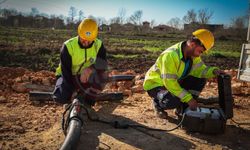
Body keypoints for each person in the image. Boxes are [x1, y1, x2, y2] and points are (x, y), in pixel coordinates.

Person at [143, 29, 225, 119]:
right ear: (192, 44)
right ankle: (157, 103)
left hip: (172, 84)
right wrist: (188, 98)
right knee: (173, 100)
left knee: (200, 79)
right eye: (200, 51)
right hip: (156, 85)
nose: (200, 55)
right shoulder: (170, 55)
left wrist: (213, 71)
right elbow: (169, 82)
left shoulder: (193, 56)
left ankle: (182, 108)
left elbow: (201, 70)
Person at [53, 18, 108, 107]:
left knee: (99, 82)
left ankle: (87, 100)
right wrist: (71, 91)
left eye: (89, 40)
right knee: (61, 97)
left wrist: (90, 69)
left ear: (94, 37)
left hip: (86, 77)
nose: (86, 42)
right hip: (67, 75)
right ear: (79, 33)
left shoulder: (98, 45)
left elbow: (103, 64)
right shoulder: (68, 46)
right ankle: (75, 93)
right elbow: (66, 72)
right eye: (83, 39)